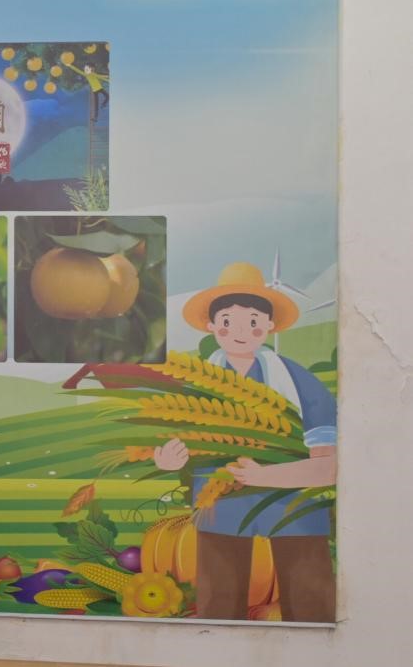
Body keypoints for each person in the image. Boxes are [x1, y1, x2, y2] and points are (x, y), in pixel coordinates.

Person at [154, 262, 337, 622]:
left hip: (294, 508)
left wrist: (265, 476)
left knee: (311, 602)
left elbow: (328, 467)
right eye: (227, 321)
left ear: (269, 325)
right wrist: (169, 459)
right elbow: (177, 439)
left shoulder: (299, 383)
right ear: (211, 326)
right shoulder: (195, 388)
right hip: (220, 506)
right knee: (219, 607)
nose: (240, 331)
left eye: (253, 321)